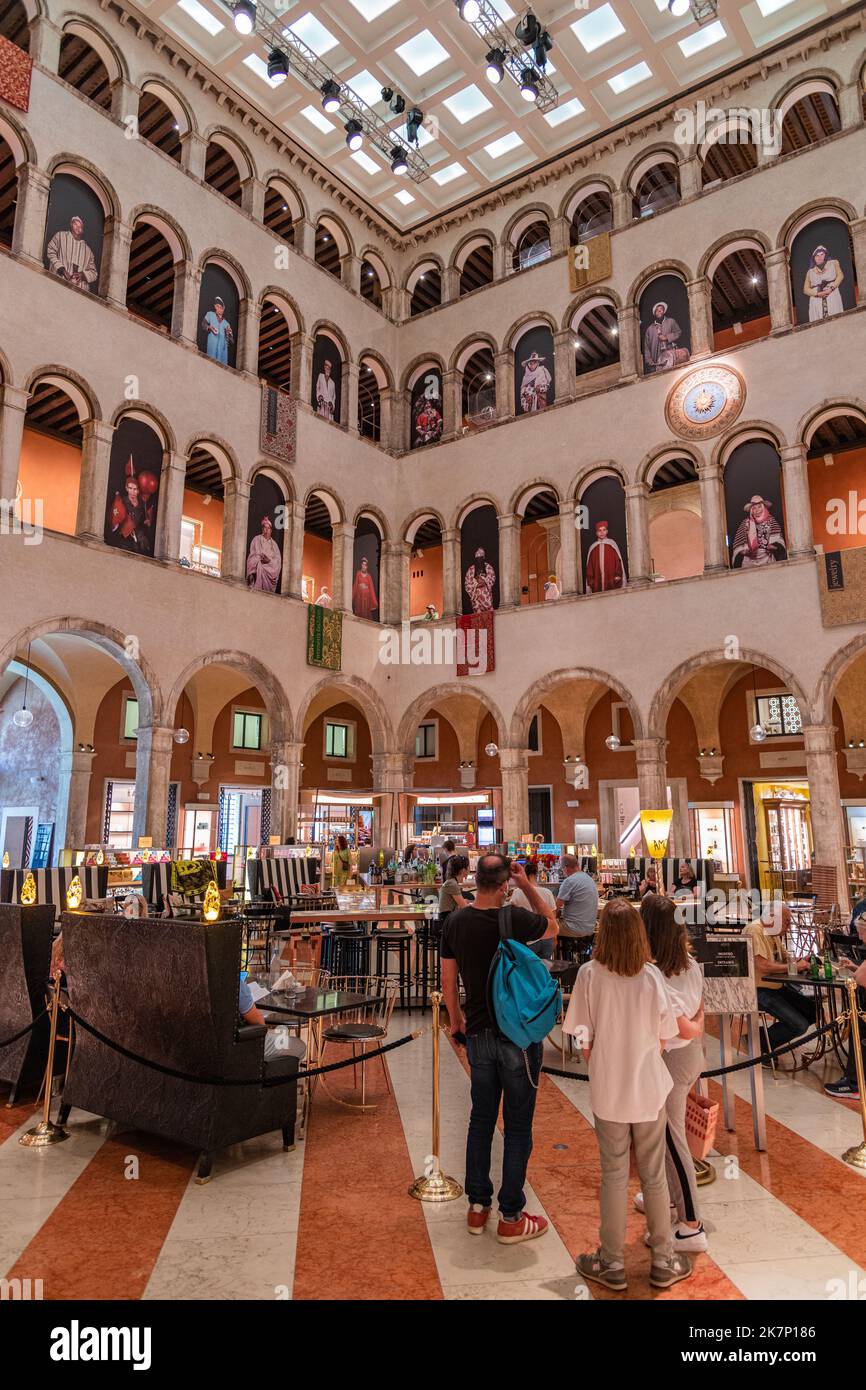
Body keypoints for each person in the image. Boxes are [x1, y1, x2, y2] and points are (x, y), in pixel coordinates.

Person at [565, 899, 697, 1291]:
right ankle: (663, 1258)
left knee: (613, 1173)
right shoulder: (652, 976)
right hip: (649, 1087)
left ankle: (611, 1262)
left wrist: (600, 1059)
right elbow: (664, 1032)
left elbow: (581, 1037)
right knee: (653, 1174)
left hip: (609, 1088)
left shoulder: (589, 975)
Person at [441, 854, 557, 1244]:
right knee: (518, 1125)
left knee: (481, 1119)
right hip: (518, 1036)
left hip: (478, 1035)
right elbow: (553, 925)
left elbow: (448, 978)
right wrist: (527, 886)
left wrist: (456, 1019)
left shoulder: (455, 922)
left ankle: (477, 1207)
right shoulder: (514, 919)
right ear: (505, 881)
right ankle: (511, 1215)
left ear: (474, 879)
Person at [641, 894, 708, 1253]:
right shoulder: (691, 965)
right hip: (688, 1057)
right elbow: (697, 1012)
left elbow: (680, 1026)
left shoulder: (653, 975)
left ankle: (691, 1223)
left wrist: (690, 1027)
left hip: (671, 1060)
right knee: (659, 1134)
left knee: (671, 1136)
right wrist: (696, 1026)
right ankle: (664, 1196)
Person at [744, 904, 814, 1055]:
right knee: (799, 1025)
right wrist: (793, 966)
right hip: (758, 989)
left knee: (813, 1011)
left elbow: (786, 959)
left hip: (775, 986)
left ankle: (763, 1037)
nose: (788, 927)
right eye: (787, 922)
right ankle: (760, 1045)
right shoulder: (755, 930)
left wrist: (801, 960)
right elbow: (762, 965)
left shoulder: (773, 932)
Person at [238, 976, 305, 1062]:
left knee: (279, 1031)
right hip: (246, 1042)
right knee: (300, 1046)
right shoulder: (237, 984)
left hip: (219, 1049)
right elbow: (259, 1024)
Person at [510, 859, 557, 962]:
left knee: (528, 971)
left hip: (528, 939)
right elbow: (553, 917)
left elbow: (512, 916)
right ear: (536, 874)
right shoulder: (547, 892)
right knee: (545, 969)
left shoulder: (517, 892)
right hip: (546, 937)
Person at [556, 853, 599, 958]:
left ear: (565, 868)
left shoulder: (569, 881)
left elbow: (555, 907)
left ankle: (553, 963)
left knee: (547, 927)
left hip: (574, 928)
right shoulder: (589, 879)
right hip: (590, 928)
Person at [731, 496, 787, 569]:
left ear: (763, 508)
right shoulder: (745, 523)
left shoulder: (771, 521)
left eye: (759, 507)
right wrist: (743, 551)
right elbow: (738, 546)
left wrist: (772, 546)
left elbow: (779, 543)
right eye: (754, 508)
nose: (757, 510)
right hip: (748, 564)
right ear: (751, 510)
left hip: (768, 561)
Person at [46, 215, 98, 290]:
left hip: (80, 291)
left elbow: (94, 273)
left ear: (83, 230)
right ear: (71, 224)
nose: (77, 227)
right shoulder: (60, 236)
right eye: (75, 224)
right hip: (58, 283)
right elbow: (50, 251)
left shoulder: (88, 251)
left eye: (80, 226)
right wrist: (61, 268)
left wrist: (82, 275)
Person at [643, 300, 689, 373]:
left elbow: (678, 332)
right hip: (656, 358)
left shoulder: (671, 321)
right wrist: (649, 360)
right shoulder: (649, 329)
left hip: (671, 356)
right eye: (657, 311)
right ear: (654, 313)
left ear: (664, 311)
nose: (659, 312)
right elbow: (646, 347)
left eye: (661, 310)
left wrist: (667, 337)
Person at [803, 244, 844, 321]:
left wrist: (831, 288)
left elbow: (840, 276)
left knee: (836, 318)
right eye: (817, 256)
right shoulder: (810, 272)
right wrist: (817, 294)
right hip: (816, 300)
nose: (820, 257)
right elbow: (805, 289)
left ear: (825, 255)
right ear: (814, 258)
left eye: (822, 254)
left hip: (832, 294)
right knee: (819, 321)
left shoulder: (833, 263)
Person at [585, 521, 626, 593]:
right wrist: (591, 581)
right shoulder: (593, 547)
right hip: (597, 584)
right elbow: (590, 566)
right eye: (599, 530)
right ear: (596, 533)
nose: (602, 532)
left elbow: (618, 561)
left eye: (604, 530)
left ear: (607, 531)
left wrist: (618, 575)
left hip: (612, 582)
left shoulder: (612, 544)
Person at [246, 515, 282, 592]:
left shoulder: (274, 545)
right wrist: (260, 558)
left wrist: (269, 561)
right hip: (259, 562)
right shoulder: (256, 539)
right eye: (265, 528)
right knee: (254, 561)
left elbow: (278, 561)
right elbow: (252, 555)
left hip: (270, 565)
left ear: (271, 530)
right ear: (262, 529)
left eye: (268, 528)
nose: (266, 530)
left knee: (273, 565)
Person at [438, 854, 471, 923]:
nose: (469, 869)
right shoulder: (452, 884)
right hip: (447, 921)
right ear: (463, 870)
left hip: (449, 918)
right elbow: (464, 907)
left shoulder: (452, 882)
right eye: (468, 867)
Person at [201, 295, 234, 364]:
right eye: (218, 306)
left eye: (221, 307)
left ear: (223, 309)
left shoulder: (226, 324)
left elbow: (232, 341)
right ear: (215, 307)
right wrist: (210, 327)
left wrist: (230, 334)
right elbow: (203, 325)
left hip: (222, 351)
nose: (219, 309)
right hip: (212, 346)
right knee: (210, 363)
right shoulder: (210, 314)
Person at [464, 547, 496, 612]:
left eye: (481, 557)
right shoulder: (471, 569)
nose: (479, 559)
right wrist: (475, 583)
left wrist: (484, 581)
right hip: (476, 595)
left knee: (489, 612)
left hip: (486, 594)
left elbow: (492, 578)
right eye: (477, 557)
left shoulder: (488, 567)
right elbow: (467, 583)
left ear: (483, 557)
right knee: (477, 613)